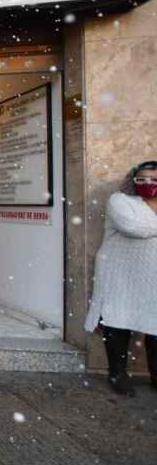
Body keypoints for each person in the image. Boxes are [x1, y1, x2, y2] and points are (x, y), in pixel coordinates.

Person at [85, 160, 157, 396]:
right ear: (133, 180)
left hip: (152, 275)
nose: (148, 184)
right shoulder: (120, 200)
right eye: (142, 179)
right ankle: (117, 373)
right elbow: (132, 226)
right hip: (120, 272)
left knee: (154, 324)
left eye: (154, 179)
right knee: (117, 320)